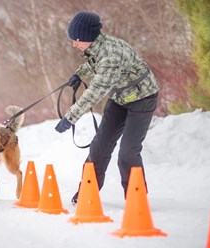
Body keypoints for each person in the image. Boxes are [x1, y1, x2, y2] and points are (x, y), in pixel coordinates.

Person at [55, 11, 159, 204]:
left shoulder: (111, 55)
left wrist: (70, 117)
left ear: (88, 36)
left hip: (142, 98)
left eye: (76, 40)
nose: (74, 44)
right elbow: (94, 62)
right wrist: (79, 74)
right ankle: (87, 192)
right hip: (120, 97)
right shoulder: (98, 44)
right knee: (99, 147)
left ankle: (137, 199)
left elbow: (95, 92)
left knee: (128, 152)